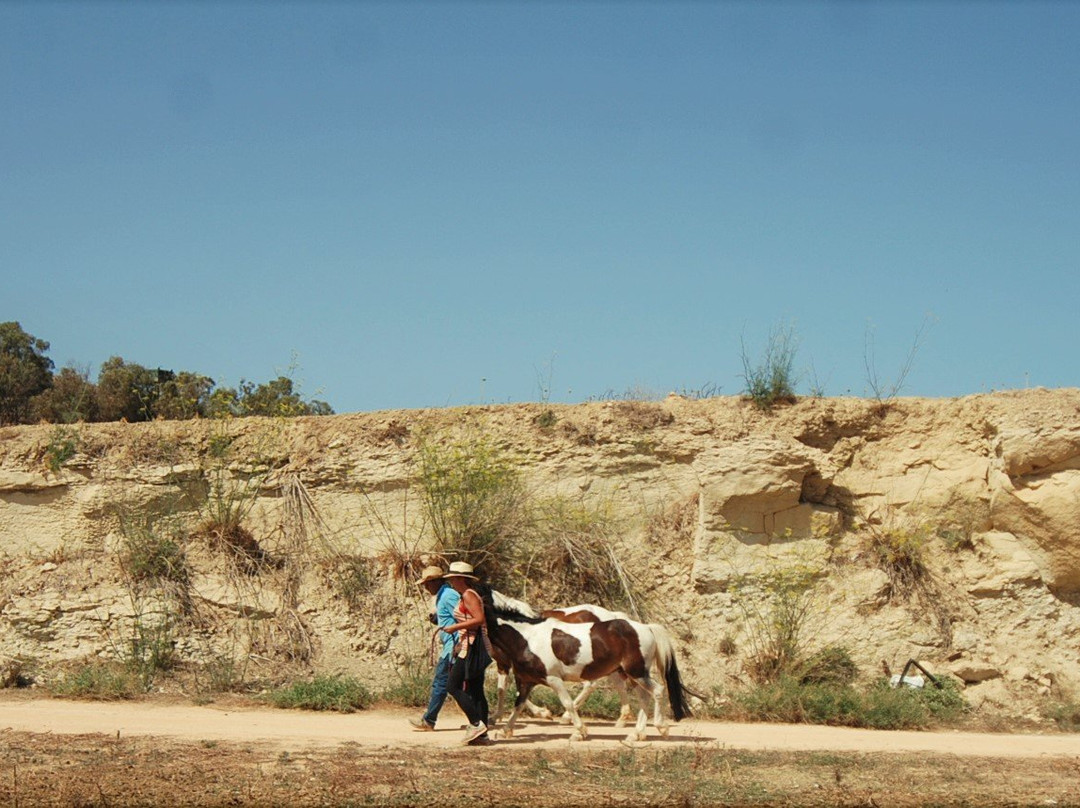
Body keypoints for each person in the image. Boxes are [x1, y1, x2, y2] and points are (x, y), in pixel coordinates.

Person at [442, 560, 494, 745]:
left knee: (453, 685)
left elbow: (479, 619)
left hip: (472, 647)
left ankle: (475, 724)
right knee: (475, 689)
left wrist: (454, 627)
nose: (451, 582)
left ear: (459, 578)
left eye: (453, 579)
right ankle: (483, 734)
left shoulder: (468, 596)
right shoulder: (468, 594)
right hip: (471, 644)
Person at [408, 565, 461, 732]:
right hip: (450, 645)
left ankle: (429, 720)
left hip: (453, 646)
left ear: (437, 581)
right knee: (461, 685)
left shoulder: (448, 595)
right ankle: (479, 720)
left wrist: (459, 642)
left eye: (428, 583)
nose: (425, 587)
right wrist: (438, 619)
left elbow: (463, 617)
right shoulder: (443, 595)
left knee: (441, 683)